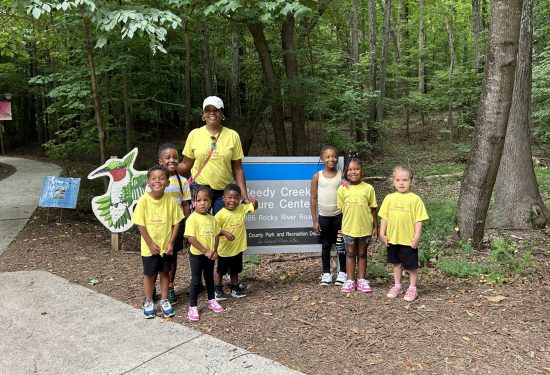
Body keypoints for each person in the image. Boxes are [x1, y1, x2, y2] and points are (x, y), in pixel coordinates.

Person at [178, 96, 250, 215]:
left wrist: (245, 197)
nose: (212, 113)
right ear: (204, 114)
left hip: (223, 191)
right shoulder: (195, 134)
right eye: (208, 110)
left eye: (216, 110)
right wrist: (165, 171)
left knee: (222, 226)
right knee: (201, 227)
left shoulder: (233, 135)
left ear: (222, 113)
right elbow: (186, 165)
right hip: (200, 188)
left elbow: (237, 168)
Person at [133, 165, 183, 319]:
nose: (157, 181)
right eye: (153, 178)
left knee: (165, 273)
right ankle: (148, 301)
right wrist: (149, 243)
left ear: (167, 182)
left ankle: (164, 300)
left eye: (161, 178)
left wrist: (170, 243)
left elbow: (177, 223)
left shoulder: (170, 201)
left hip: (165, 247)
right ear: (148, 182)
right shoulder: (143, 201)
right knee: (149, 274)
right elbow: (140, 224)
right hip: (149, 248)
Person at [379, 166, 429, 302]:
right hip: (392, 239)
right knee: (396, 263)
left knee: (411, 266)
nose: (401, 183)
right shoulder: (389, 198)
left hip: (408, 239)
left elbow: (418, 220)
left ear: (411, 182)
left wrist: (416, 237)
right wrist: (382, 233)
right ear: (393, 181)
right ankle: (397, 285)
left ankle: (412, 288)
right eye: (398, 180)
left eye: (405, 180)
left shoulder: (415, 199)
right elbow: (384, 217)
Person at [151, 143, 191, 306]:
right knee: (154, 257)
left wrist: (188, 225)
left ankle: (170, 286)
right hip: (158, 224)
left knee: (172, 256)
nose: (172, 160)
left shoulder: (183, 182)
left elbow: (186, 205)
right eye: (167, 157)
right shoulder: (156, 181)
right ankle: (152, 287)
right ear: (160, 161)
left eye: (175, 157)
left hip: (177, 224)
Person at [337, 157, 378, 293]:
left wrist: (375, 227)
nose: (353, 172)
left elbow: (373, 208)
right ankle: (350, 280)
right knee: (349, 253)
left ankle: (361, 279)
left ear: (362, 171)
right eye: (350, 169)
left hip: (365, 228)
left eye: (356, 169)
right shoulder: (342, 189)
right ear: (345, 172)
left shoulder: (369, 188)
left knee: (362, 253)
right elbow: (341, 209)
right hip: (349, 228)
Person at [184, 185, 225, 321]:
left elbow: (217, 235)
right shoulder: (192, 218)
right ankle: (193, 306)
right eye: (199, 200)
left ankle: (211, 300)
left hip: (210, 255)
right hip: (197, 254)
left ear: (210, 202)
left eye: (206, 200)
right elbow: (191, 238)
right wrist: (205, 251)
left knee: (209, 278)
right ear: (194, 202)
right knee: (196, 280)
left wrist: (214, 251)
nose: (202, 203)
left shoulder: (213, 219)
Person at [310, 146, 347, 286]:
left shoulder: (341, 175)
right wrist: (315, 221)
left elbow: (346, 194)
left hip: (339, 216)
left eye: (334, 156)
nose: (331, 159)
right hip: (324, 217)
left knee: (340, 244)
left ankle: (342, 272)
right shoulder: (317, 176)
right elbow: (313, 198)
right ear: (322, 159)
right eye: (328, 157)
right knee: (325, 245)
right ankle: (326, 273)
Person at [214, 184, 258, 300]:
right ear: (224, 198)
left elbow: (253, 208)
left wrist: (255, 203)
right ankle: (217, 289)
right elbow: (214, 231)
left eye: (235, 198)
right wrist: (225, 233)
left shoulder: (241, 208)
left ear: (239, 199)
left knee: (235, 269)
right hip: (224, 250)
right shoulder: (220, 215)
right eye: (229, 197)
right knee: (220, 270)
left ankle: (235, 287)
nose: (232, 200)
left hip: (237, 248)